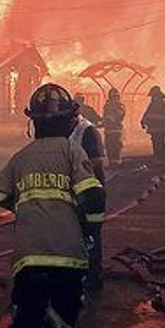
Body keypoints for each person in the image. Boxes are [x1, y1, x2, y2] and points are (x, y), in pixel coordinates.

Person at [0, 84, 106, 328]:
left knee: (27, 315)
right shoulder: (72, 152)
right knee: (64, 313)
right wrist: (90, 229)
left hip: (28, 257)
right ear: (70, 121)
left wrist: (26, 206)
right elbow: (93, 196)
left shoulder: (21, 157)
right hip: (67, 254)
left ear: (34, 122)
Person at [70, 93, 107, 292]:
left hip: (89, 193)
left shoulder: (87, 131)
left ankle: (93, 277)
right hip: (71, 193)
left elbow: (97, 164)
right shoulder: (63, 129)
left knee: (91, 235)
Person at [140, 86, 165, 162]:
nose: (152, 98)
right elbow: (147, 114)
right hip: (153, 130)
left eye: (154, 96)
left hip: (161, 129)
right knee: (156, 145)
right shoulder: (152, 105)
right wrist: (143, 122)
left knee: (160, 144)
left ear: (158, 96)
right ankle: (159, 160)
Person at [102, 88, 126, 165]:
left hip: (116, 129)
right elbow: (105, 116)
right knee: (109, 146)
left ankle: (116, 161)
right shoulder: (107, 106)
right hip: (109, 130)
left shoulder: (120, 106)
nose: (114, 98)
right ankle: (112, 161)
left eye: (115, 96)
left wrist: (110, 119)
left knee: (116, 145)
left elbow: (120, 115)